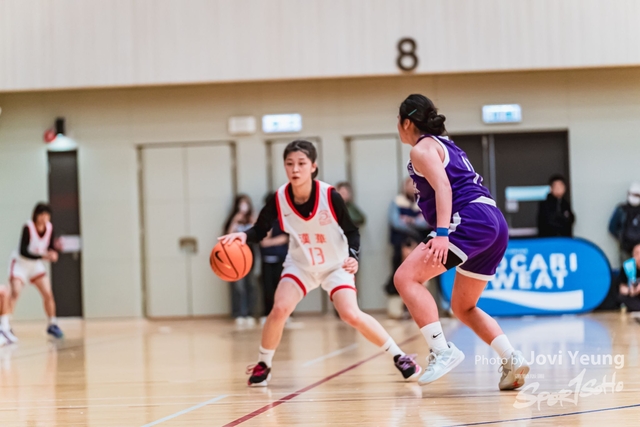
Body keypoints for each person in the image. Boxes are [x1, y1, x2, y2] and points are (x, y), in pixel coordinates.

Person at [219, 140, 422, 386]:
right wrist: (243, 236)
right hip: (301, 265)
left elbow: (352, 231)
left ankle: (400, 357)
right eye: (289, 163)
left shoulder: (329, 195)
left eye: (301, 163)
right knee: (279, 309)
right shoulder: (279, 198)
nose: (295, 169)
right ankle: (264, 363)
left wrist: (353, 256)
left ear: (313, 166)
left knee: (351, 314)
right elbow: (260, 229)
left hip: (335, 265)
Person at [393, 94, 529, 390]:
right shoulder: (447, 144)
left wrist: (442, 233)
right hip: (493, 221)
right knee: (463, 306)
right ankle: (511, 358)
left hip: (468, 218)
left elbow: (443, 187)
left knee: (405, 278)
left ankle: (441, 350)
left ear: (406, 123)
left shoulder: (421, 149)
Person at [2, 203, 64, 342]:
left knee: (48, 293)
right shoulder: (28, 227)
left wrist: (54, 252)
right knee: (15, 292)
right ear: (36, 215)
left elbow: (50, 247)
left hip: (35, 265)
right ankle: (5, 325)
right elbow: (23, 251)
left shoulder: (49, 228)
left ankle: (52, 323)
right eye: (42, 215)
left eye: (47, 215)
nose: (44, 218)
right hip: (20, 263)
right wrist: (43, 256)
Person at [385, 177, 430, 295]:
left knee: (420, 272)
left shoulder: (423, 202)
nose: (411, 188)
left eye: (414, 185)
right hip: (400, 241)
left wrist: (409, 220)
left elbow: (427, 222)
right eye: (409, 185)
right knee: (398, 269)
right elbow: (396, 222)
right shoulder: (397, 202)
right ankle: (396, 296)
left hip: (420, 242)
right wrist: (416, 221)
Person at [223, 195, 257, 327]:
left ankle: (249, 313)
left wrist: (253, 220)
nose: (244, 206)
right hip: (235, 258)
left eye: (246, 203)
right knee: (238, 287)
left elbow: (258, 235)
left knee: (250, 285)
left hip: (250, 256)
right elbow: (227, 236)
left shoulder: (251, 219)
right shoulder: (233, 220)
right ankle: (238, 313)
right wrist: (235, 220)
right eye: (242, 203)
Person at [258, 194, 289, 324]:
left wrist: (270, 242)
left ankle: (285, 314)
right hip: (267, 259)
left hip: (282, 258)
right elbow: (263, 241)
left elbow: (285, 238)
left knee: (282, 288)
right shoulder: (264, 220)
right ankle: (267, 313)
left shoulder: (284, 218)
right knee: (268, 288)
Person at [609, 182, 640, 261]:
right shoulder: (621, 210)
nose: (635, 198)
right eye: (633, 194)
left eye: (637, 195)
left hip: (639, 249)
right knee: (627, 267)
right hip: (626, 248)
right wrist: (622, 238)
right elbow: (612, 228)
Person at [617, 243, 640, 313]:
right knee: (621, 297)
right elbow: (621, 288)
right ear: (633, 256)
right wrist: (630, 291)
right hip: (633, 296)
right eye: (637, 253)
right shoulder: (627, 267)